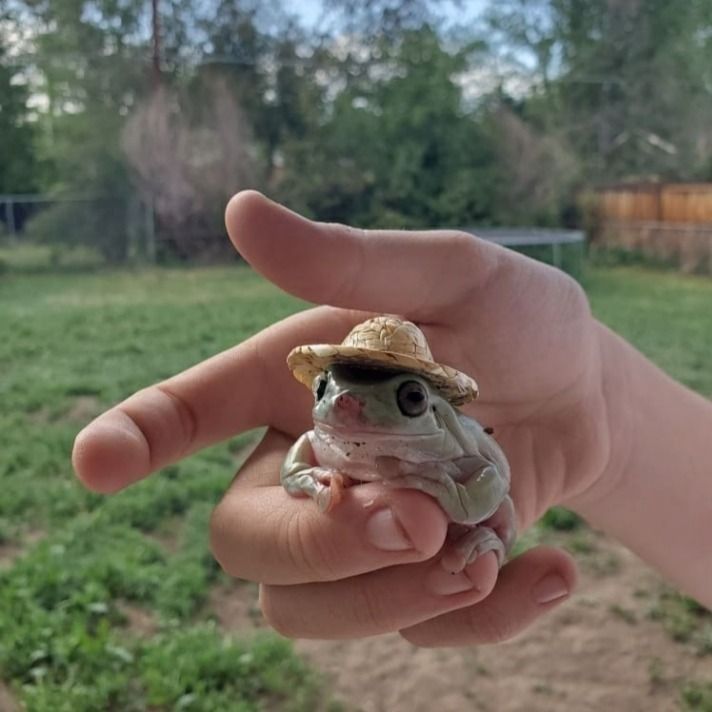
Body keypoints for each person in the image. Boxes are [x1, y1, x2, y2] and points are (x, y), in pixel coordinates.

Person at [72, 191, 712, 645]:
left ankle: (471, 520)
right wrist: (304, 480)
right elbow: (303, 451)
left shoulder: (448, 431)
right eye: (328, 389)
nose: (347, 404)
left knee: (484, 524)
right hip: (390, 471)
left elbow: (489, 481)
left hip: (468, 485)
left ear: (426, 402)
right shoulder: (330, 425)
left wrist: (456, 500)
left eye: (405, 398)